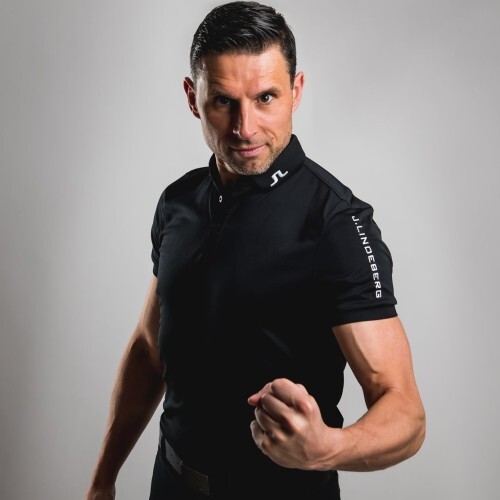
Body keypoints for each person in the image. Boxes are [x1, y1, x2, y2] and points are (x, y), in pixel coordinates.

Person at [85, 2, 426, 499]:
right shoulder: (179, 202)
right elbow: (148, 349)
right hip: (172, 483)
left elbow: (406, 413)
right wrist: (103, 480)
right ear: (193, 97)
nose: (244, 128)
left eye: (266, 97)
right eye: (223, 101)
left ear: (296, 91)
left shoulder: (335, 223)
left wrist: (327, 448)